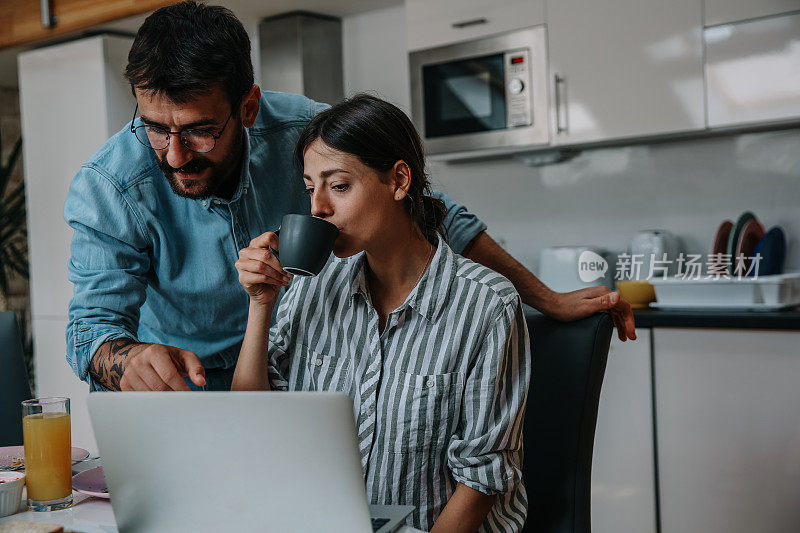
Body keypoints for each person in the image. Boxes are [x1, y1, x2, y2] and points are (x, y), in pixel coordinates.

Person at [64, 1, 634, 393]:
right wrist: (127, 359)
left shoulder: (304, 132)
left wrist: (546, 299)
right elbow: (90, 330)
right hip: (184, 386)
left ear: (248, 107)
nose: (174, 155)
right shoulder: (110, 186)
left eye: (198, 131)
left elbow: (434, 216)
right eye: (155, 127)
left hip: (305, 371)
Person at [232, 94, 529, 533]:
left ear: (399, 180)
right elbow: (252, 423)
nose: (318, 209)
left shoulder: (486, 305)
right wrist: (261, 305)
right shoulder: (311, 285)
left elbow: (481, 479)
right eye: (311, 188)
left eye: (339, 186)